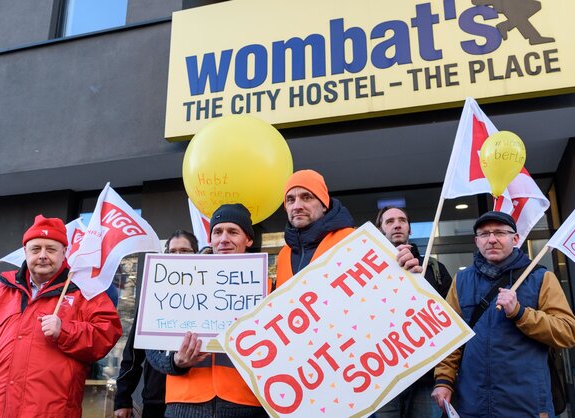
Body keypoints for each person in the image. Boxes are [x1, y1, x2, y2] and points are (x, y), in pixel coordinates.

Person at [0, 215, 123, 418]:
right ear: (25, 252)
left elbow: (107, 333)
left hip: (52, 410)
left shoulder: (84, 292)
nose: (43, 255)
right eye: (36, 249)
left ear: (64, 252)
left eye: (51, 249)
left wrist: (65, 330)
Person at [431, 211, 575, 417]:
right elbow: (449, 338)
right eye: (484, 234)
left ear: (515, 239)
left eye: (500, 232)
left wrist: (520, 314)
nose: (491, 239)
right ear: (476, 241)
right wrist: (444, 381)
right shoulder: (461, 280)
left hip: (526, 404)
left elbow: (568, 332)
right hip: (472, 404)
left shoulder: (541, 277)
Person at [147, 204, 265, 418]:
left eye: (233, 231)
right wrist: (173, 362)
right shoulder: (175, 282)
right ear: (210, 239)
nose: (224, 239)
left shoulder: (265, 286)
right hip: (184, 403)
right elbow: (152, 347)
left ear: (248, 239)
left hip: (246, 403)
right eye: (218, 232)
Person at [275, 169, 420, 291]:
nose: (297, 206)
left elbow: (387, 292)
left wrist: (405, 272)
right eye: (290, 199)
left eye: (306, 197)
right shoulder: (283, 255)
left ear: (324, 204)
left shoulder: (354, 240)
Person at [374, 206, 452, 418]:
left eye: (402, 220)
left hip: (426, 377)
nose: (397, 224)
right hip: (383, 380)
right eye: (389, 222)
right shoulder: (366, 275)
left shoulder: (435, 269)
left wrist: (419, 278)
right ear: (380, 231)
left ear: (410, 229)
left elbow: (451, 317)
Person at [114, 230, 198, 418]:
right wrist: (123, 398)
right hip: (156, 399)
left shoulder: (210, 295)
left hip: (194, 400)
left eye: (184, 251)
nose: (178, 256)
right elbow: (133, 354)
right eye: (172, 251)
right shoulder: (152, 297)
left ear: (197, 254)